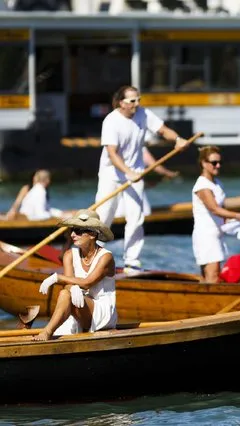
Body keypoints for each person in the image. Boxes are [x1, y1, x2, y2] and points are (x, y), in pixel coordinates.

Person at [95, 85, 188, 273]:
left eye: (138, 99)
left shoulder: (143, 114)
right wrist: (128, 172)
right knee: (103, 217)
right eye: (132, 101)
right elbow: (112, 154)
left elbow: (162, 130)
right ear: (121, 103)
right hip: (111, 174)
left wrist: (177, 139)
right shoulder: (111, 121)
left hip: (136, 174)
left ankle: (132, 261)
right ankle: (92, 255)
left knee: (136, 218)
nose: (137, 104)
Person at [34, 209, 117, 341]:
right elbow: (68, 286)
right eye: (72, 230)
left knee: (67, 294)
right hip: (79, 305)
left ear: (92, 234)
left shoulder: (106, 257)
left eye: (78, 231)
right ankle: (47, 332)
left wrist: (57, 277)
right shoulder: (69, 255)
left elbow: (88, 282)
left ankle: (46, 332)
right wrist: (72, 288)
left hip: (102, 312)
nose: (72, 234)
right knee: (65, 293)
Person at [192, 146, 240, 283]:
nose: (218, 166)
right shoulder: (202, 186)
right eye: (214, 163)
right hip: (205, 235)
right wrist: (238, 216)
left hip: (217, 233)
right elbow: (214, 209)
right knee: (213, 274)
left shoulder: (217, 183)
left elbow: (222, 210)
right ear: (203, 163)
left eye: (220, 163)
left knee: (214, 274)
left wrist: (230, 221)